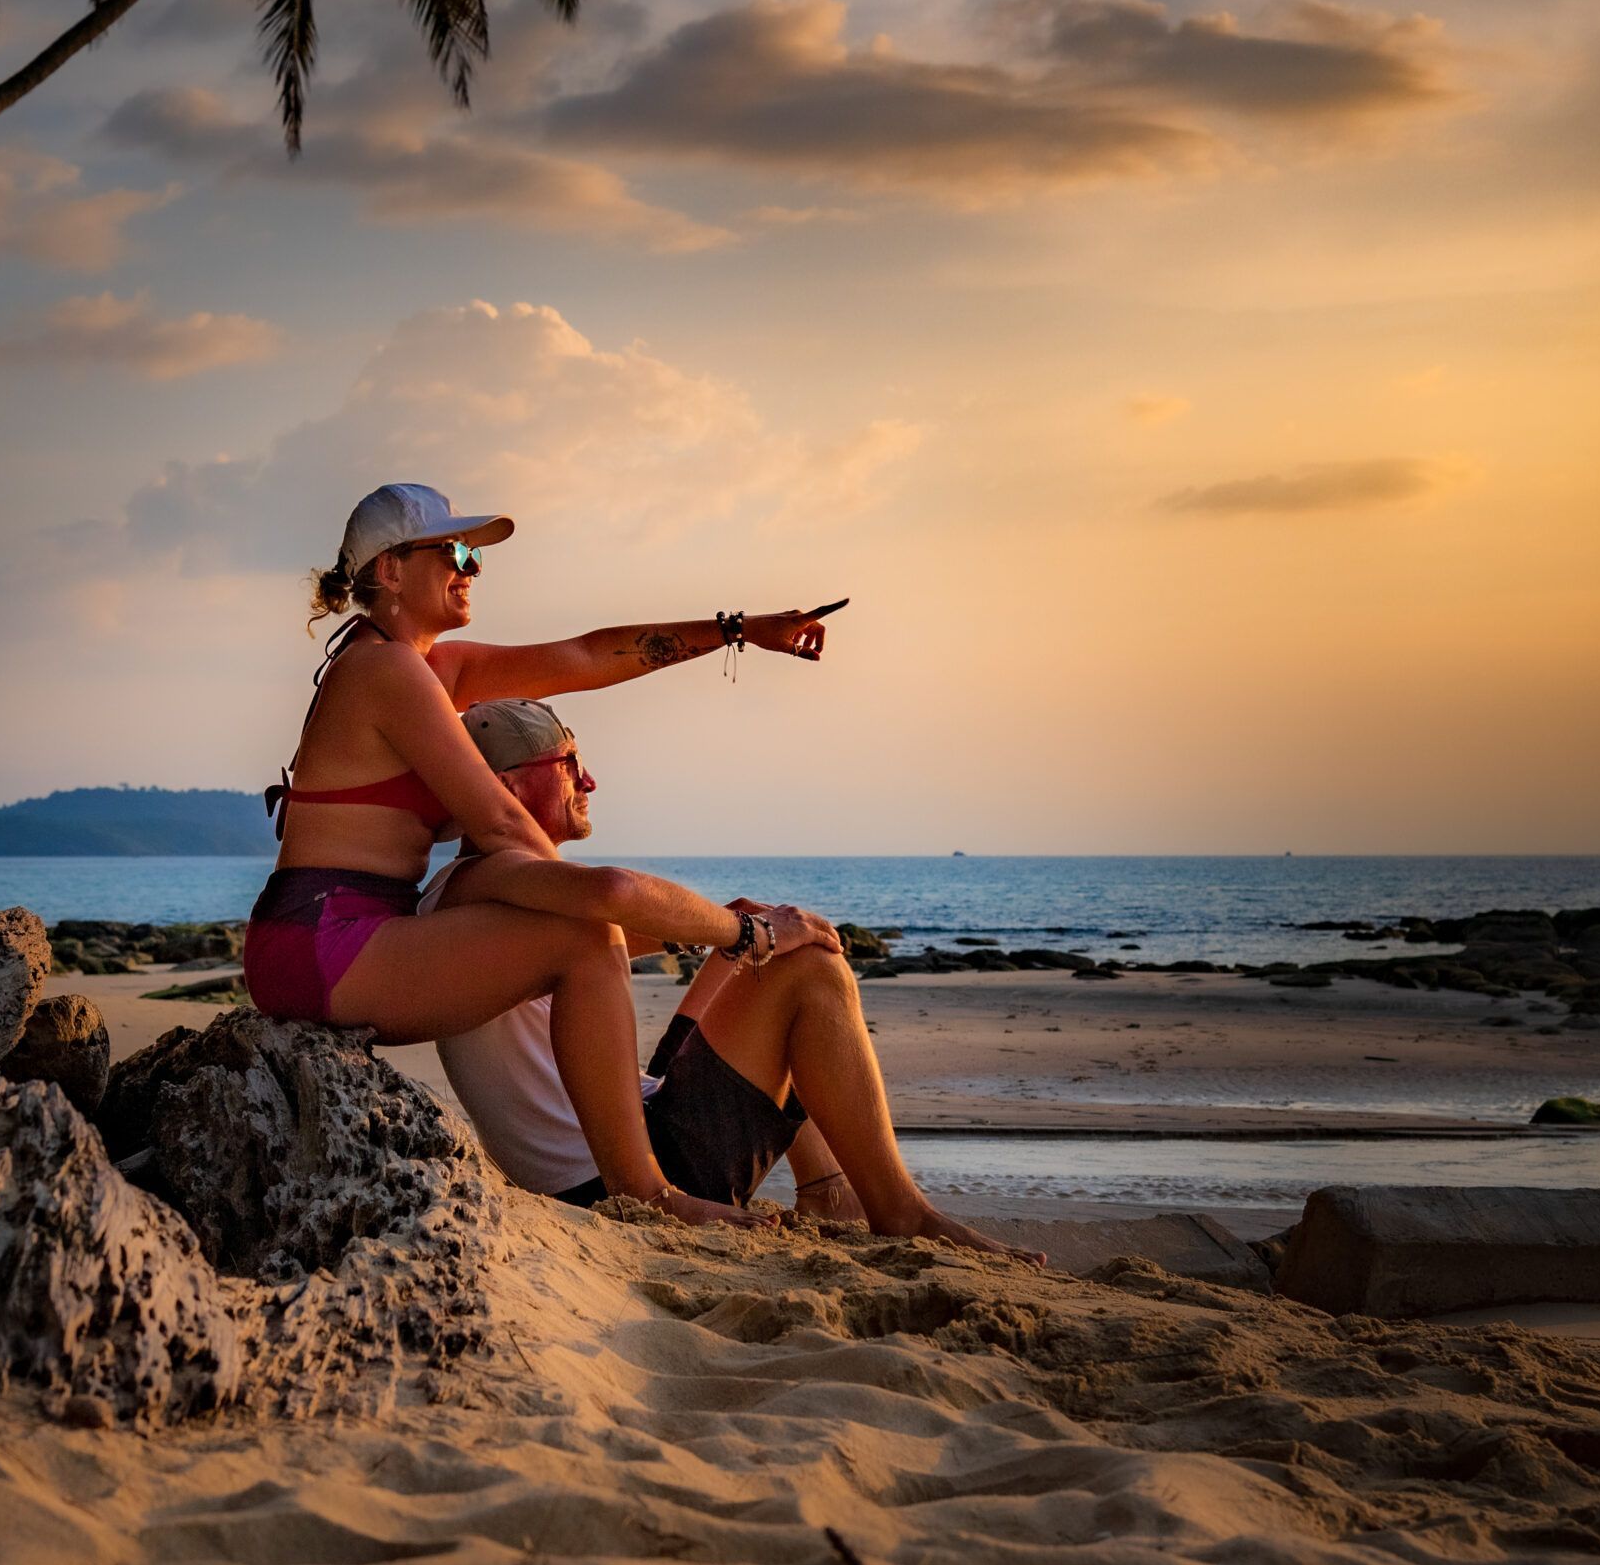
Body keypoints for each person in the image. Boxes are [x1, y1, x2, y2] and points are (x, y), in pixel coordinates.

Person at [242, 481, 836, 1229]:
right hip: (322, 938)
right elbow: (497, 819)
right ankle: (645, 1194)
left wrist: (739, 630)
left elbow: (588, 655)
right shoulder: (381, 671)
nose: (473, 567)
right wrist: (608, 900)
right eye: (455, 552)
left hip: (345, 933)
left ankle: (714, 1182)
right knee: (583, 937)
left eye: (475, 554)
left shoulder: (429, 670)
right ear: (389, 571)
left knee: (593, 926)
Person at [420, 699, 1042, 1261]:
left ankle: (826, 1189)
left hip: (630, 1131)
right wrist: (756, 934)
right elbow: (616, 891)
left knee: (759, 944)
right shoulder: (479, 882)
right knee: (810, 970)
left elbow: (627, 929)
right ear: (503, 788)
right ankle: (900, 1212)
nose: (588, 779)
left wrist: (735, 927)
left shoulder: (503, 898)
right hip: (615, 1175)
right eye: (567, 761)